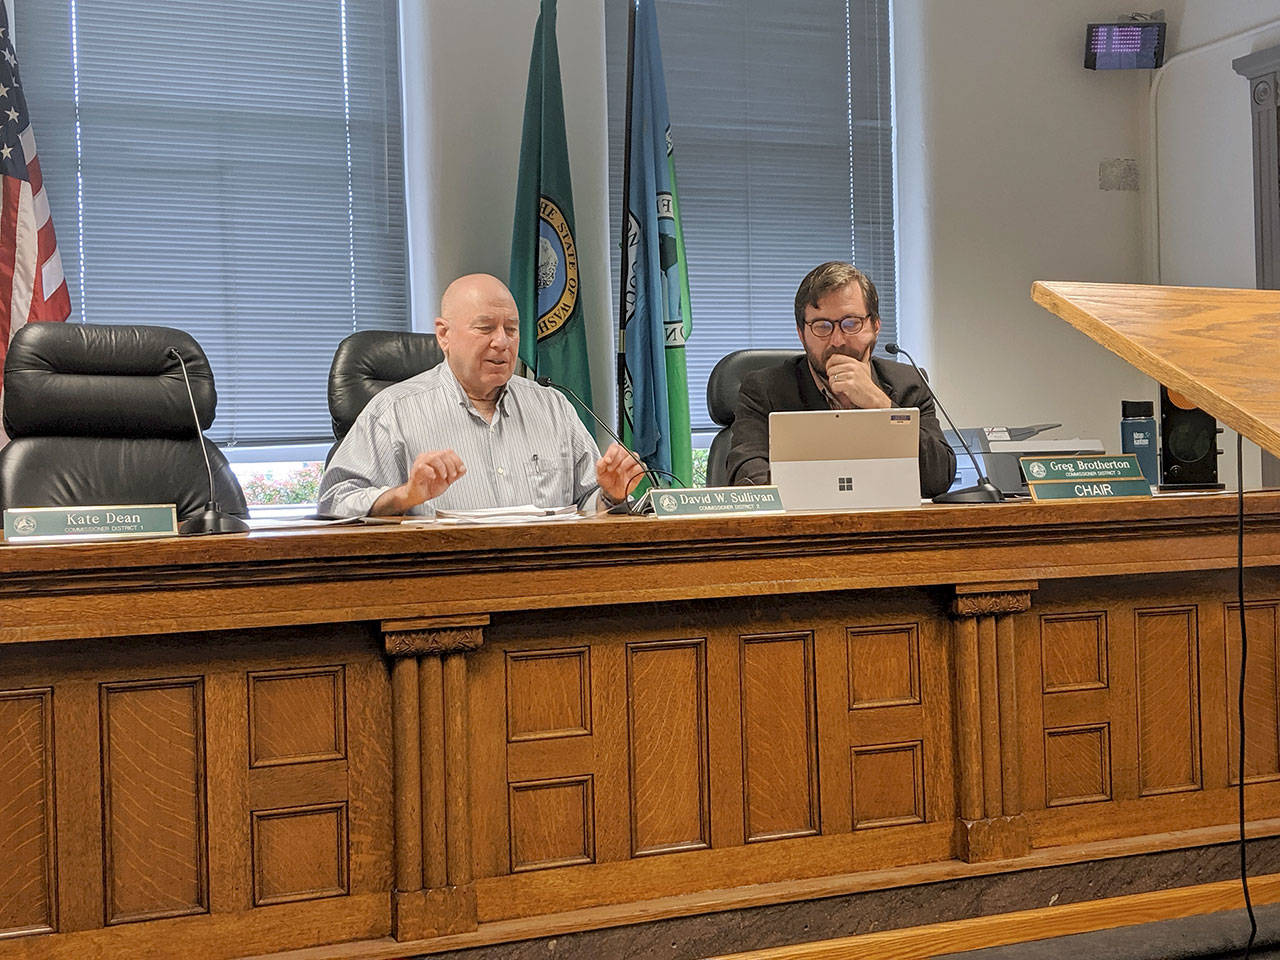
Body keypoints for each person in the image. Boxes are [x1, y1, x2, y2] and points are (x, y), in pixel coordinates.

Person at [318, 273, 644, 517]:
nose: (502, 342)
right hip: (445, 588)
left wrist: (611, 495)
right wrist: (405, 495)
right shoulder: (393, 411)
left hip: (548, 586)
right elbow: (335, 502)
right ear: (444, 335)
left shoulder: (553, 406)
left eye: (512, 329)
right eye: (486, 328)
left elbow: (588, 505)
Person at [725, 261, 956, 497]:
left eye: (851, 323)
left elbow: (937, 480)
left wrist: (880, 405)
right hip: (803, 530)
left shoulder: (909, 384)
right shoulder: (765, 390)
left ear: (875, 326)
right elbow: (747, 477)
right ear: (801, 334)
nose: (837, 340)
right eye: (822, 326)